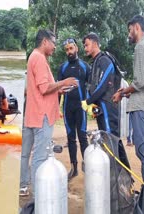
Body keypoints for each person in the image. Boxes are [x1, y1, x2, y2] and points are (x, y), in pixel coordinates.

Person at [20, 29, 77, 196]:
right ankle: (39, 196)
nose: (55, 47)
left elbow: (39, 88)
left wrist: (60, 89)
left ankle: (23, 185)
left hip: (32, 113)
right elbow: (44, 89)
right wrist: (64, 82)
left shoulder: (34, 57)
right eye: (53, 43)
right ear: (45, 41)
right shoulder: (39, 58)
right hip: (41, 115)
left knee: (25, 154)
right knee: (40, 156)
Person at [112, 15, 144, 182]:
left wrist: (122, 93)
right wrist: (128, 91)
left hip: (140, 108)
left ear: (137, 27)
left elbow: (138, 82)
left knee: (143, 152)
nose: (129, 34)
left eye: (130, 30)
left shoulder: (140, 47)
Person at [57, 38, 90, 180]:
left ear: (76, 48)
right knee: (71, 137)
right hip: (67, 107)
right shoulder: (62, 68)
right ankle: (74, 168)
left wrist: (92, 105)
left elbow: (92, 86)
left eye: (71, 48)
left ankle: (88, 167)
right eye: (66, 50)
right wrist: (55, 108)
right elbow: (58, 89)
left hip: (81, 107)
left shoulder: (85, 67)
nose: (69, 52)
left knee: (82, 137)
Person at [81, 32, 120, 137]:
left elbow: (102, 86)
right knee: (105, 140)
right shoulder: (95, 63)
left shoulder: (104, 61)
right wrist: (91, 104)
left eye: (87, 45)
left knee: (111, 138)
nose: (85, 48)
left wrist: (88, 101)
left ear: (95, 44)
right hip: (100, 107)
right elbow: (91, 86)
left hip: (108, 105)